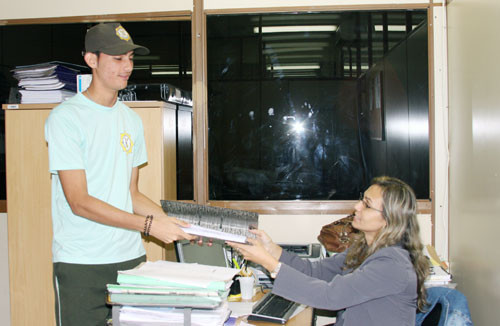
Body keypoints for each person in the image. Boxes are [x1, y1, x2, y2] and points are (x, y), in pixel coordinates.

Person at [45, 22, 196, 325]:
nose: (127, 66)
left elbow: (132, 194)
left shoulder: (131, 120)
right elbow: (80, 201)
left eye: (130, 57)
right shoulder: (66, 119)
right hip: (81, 263)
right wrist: (150, 226)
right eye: (117, 58)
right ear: (91, 60)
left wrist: (170, 222)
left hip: (130, 259)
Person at [228, 176, 429, 326]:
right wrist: (270, 249)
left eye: (367, 205)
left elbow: (329, 296)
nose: (357, 206)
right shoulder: (364, 248)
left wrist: (268, 263)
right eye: (361, 199)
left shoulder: (392, 265)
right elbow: (316, 272)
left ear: (389, 219)